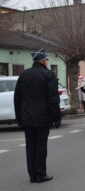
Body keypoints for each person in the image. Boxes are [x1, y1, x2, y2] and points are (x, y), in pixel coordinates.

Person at [14, 49, 60, 183]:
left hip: (27, 117)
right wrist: (56, 116)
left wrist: (19, 117)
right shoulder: (49, 75)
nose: (47, 62)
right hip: (42, 117)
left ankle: (32, 175)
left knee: (30, 146)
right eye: (47, 59)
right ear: (43, 60)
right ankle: (40, 174)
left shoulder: (23, 74)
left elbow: (17, 98)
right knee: (40, 146)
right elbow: (53, 99)